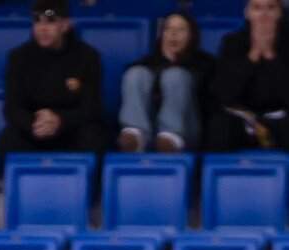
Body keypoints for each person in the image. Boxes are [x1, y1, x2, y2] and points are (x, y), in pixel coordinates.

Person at [0, 1, 110, 158]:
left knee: (93, 137)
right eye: (37, 21)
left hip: (71, 129)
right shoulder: (18, 58)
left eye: (50, 21)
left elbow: (92, 108)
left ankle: (93, 182)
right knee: (9, 138)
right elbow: (12, 108)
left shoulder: (87, 57)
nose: (42, 28)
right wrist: (34, 124)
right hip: (34, 129)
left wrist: (60, 120)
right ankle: (3, 182)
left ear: (65, 25)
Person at [119, 12, 215, 152]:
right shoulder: (149, 62)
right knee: (136, 73)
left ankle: (171, 138)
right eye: (168, 29)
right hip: (151, 129)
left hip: (189, 128)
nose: (173, 34)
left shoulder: (205, 63)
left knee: (174, 76)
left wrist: (176, 65)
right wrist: (165, 61)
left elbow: (207, 101)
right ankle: (136, 135)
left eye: (181, 30)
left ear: (192, 35)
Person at [207, 0, 289, 151]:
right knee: (219, 126)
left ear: (280, 13)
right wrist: (253, 55)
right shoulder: (232, 42)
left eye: (271, 8)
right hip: (242, 118)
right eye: (257, 8)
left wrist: (270, 55)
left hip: (282, 118)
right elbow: (224, 94)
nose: (263, 15)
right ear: (247, 13)